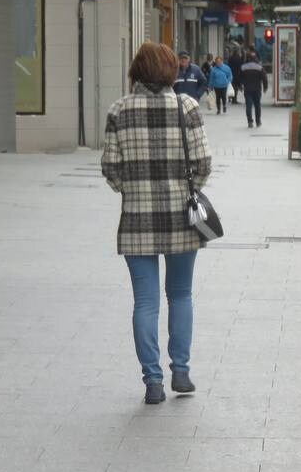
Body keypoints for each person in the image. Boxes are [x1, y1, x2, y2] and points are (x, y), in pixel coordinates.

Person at [102, 42, 213, 405]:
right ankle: (180, 370)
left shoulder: (118, 109)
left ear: (136, 70)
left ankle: (152, 381)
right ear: (170, 72)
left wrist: (130, 191)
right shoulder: (187, 106)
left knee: (145, 302)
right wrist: (189, 189)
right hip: (181, 218)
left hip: (136, 220)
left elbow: (110, 167)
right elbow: (203, 162)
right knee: (180, 294)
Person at [239, 48, 269, 128]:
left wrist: (240, 85)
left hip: (247, 89)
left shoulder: (243, 67)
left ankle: (250, 121)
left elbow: (240, 78)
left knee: (248, 105)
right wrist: (265, 87)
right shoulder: (259, 67)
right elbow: (264, 78)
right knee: (257, 105)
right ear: (255, 58)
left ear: (247, 58)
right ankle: (258, 121)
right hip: (257, 89)